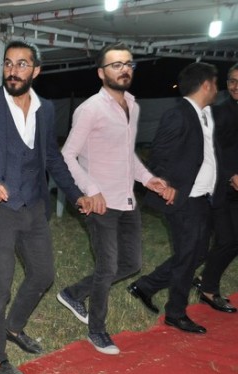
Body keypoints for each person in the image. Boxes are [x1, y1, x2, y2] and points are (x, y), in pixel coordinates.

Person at [0, 40, 91, 374]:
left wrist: (76, 195)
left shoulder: (46, 109)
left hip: (33, 205)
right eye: (8, 64)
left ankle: (13, 327)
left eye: (22, 64)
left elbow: (52, 158)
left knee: (43, 275)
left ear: (36, 70)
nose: (13, 71)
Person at [58, 43, 169, 355]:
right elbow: (67, 155)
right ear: (101, 73)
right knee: (107, 267)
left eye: (128, 64)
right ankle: (97, 330)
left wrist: (148, 179)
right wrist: (90, 189)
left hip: (127, 199)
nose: (124, 69)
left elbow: (126, 155)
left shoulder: (132, 105)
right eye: (116, 65)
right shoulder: (90, 109)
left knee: (131, 263)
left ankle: (73, 293)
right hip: (100, 203)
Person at [127, 62, 219, 334]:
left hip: (201, 196)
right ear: (206, 85)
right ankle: (176, 313)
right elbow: (159, 154)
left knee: (197, 253)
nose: (218, 89)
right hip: (182, 197)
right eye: (215, 83)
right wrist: (165, 185)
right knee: (188, 255)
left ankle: (145, 286)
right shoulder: (178, 114)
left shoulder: (204, 114)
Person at [192, 64, 238, 314]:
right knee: (227, 240)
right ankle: (208, 289)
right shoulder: (218, 113)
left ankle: (205, 280)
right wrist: (231, 174)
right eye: (232, 81)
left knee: (233, 241)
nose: (236, 86)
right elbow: (211, 150)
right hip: (221, 187)